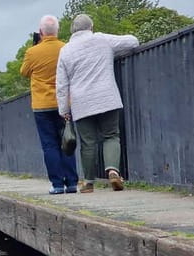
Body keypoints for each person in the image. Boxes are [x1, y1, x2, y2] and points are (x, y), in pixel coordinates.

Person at [56, 14, 139, 193]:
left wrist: (64, 109)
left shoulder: (66, 50)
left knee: (88, 143)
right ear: (91, 27)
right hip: (106, 97)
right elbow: (133, 42)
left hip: (81, 103)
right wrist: (112, 52)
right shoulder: (102, 40)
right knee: (111, 136)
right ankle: (112, 171)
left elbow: (62, 85)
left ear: (72, 31)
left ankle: (88, 183)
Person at [20, 15, 79, 194]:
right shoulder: (66, 48)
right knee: (67, 142)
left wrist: (34, 48)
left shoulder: (33, 52)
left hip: (42, 105)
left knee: (49, 145)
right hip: (64, 103)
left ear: (40, 32)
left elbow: (24, 72)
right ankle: (72, 183)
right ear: (58, 31)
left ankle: (57, 185)